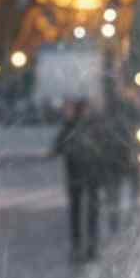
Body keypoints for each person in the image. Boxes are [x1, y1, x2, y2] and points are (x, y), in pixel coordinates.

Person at [51, 99, 103, 261]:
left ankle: (77, 246)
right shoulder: (95, 126)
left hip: (74, 175)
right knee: (92, 212)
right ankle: (91, 247)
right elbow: (105, 148)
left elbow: (57, 148)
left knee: (76, 212)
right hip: (92, 175)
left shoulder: (69, 126)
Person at [102, 93, 140, 233]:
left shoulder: (111, 122)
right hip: (122, 161)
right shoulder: (125, 123)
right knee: (125, 191)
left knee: (115, 193)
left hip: (119, 161)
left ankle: (117, 219)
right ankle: (126, 218)